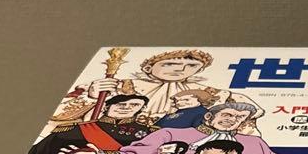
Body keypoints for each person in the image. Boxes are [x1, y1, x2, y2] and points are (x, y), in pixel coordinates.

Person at [62, 98, 276, 154]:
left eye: (239, 117)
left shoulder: (254, 143)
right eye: (227, 114)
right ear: (209, 117)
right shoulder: (170, 133)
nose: (233, 120)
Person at [16, 93, 156, 154]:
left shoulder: (149, 133)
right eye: (120, 104)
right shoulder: (73, 129)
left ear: (142, 108)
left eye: (134, 105)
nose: (126, 108)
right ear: (107, 106)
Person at [82, 48, 218, 118]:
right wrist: (92, 98)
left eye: (192, 66)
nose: (181, 69)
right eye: (169, 64)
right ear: (148, 68)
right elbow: (76, 116)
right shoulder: (122, 85)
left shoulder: (206, 91)